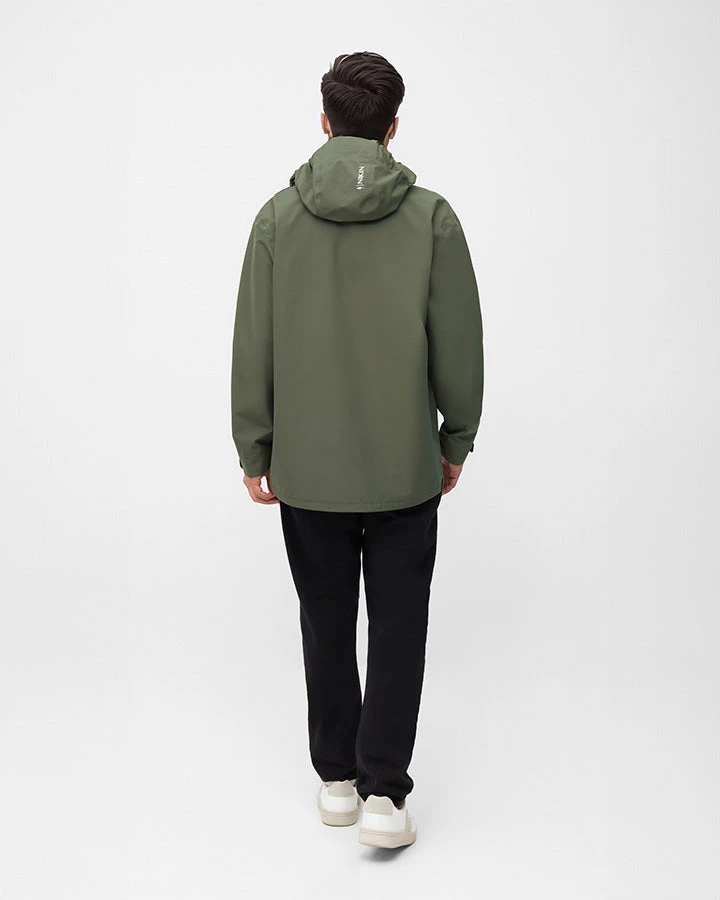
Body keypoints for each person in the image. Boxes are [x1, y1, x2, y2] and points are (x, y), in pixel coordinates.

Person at [230, 50, 484, 849]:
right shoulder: (432, 219)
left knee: (325, 618)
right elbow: (459, 342)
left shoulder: (277, 219)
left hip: (307, 469)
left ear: (325, 122)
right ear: (392, 128)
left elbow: (254, 342)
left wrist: (253, 446)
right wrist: (456, 438)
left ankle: (337, 780)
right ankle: (384, 796)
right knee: (401, 625)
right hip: (405, 465)